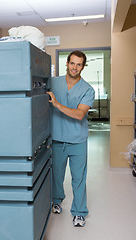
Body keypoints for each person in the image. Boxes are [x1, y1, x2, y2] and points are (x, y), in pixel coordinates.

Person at [47, 50, 95, 227]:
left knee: (79, 178)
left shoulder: (88, 89)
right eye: (72, 63)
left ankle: (79, 212)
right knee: (56, 175)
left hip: (77, 140)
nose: (75, 67)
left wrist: (58, 104)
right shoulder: (53, 82)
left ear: (83, 67)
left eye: (79, 64)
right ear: (66, 63)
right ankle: (57, 201)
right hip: (56, 138)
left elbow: (80, 114)